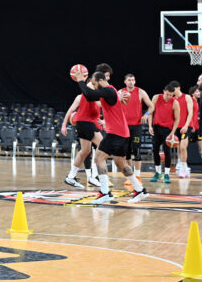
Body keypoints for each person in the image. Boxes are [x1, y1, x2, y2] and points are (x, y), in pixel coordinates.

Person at [69, 70, 148, 205]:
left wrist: (80, 80)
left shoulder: (108, 91)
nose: (93, 86)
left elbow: (89, 95)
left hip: (116, 133)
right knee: (121, 164)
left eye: (94, 83)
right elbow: (96, 100)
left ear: (100, 81)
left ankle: (105, 192)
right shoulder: (110, 92)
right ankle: (140, 190)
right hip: (122, 132)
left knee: (99, 158)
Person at [60, 83, 103, 189]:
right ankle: (95, 176)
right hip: (86, 123)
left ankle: (71, 177)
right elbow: (70, 111)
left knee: (85, 151)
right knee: (102, 145)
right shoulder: (82, 97)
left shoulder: (96, 95)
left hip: (91, 124)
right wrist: (64, 125)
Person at [121, 73, 154, 179]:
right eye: (129, 80)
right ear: (125, 81)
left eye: (133, 80)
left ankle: (138, 175)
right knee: (126, 152)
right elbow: (113, 107)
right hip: (124, 126)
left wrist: (146, 114)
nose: (131, 82)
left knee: (137, 150)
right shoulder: (120, 92)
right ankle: (130, 176)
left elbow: (151, 106)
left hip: (136, 126)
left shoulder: (140, 92)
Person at [147, 81, 180, 183]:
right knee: (155, 150)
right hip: (156, 127)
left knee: (167, 152)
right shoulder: (156, 97)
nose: (169, 96)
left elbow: (177, 119)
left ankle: (166, 174)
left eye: (171, 95)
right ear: (164, 91)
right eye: (167, 94)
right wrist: (150, 126)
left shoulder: (175, 102)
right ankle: (157, 173)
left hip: (168, 130)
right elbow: (150, 112)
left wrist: (172, 133)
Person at [176, 85, 198, 178]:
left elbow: (193, 114)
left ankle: (183, 166)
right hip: (181, 126)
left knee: (183, 147)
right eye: (197, 91)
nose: (199, 93)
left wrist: (192, 124)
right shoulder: (190, 99)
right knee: (180, 147)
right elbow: (190, 114)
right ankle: (182, 165)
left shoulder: (194, 101)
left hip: (189, 126)